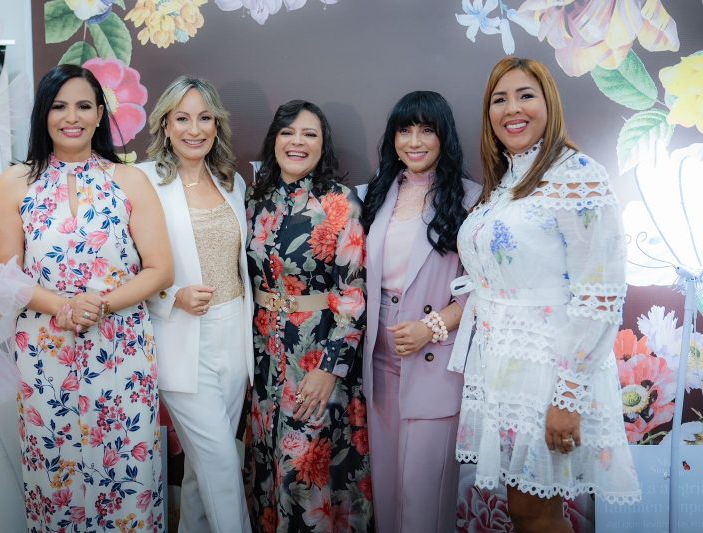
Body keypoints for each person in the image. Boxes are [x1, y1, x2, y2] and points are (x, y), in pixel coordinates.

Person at [448, 57, 641, 532]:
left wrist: (568, 397)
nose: (512, 109)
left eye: (525, 95)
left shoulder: (578, 175)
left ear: (548, 103)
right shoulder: (507, 182)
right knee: (523, 510)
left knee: (537, 514)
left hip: (549, 372)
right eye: (500, 99)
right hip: (504, 367)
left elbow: (600, 295)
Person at [0, 64, 173, 532]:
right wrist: (63, 307)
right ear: (43, 115)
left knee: (126, 471)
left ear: (99, 115)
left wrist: (102, 304)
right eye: (59, 106)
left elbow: (160, 269)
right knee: (56, 472)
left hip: (121, 348)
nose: (71, 117)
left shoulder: (130, 180)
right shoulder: (15, 182)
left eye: (84, 106)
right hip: (44, 350)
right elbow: (5, 276)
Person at [245, 100, 373, 532]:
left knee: (305, 475)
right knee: (266, 473)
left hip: (315, 357)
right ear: (274, 140)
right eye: (288, 132)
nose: (297, 142)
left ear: (323, 144)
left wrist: (329, 369)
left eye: (309, 134)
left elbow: (353, 295)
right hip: (263, 359)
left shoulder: (340, 202)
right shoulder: (255, 200)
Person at [137, 76, 253, 533]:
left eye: (205, 118)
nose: (194, 129)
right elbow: (121, 265)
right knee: (222, 464)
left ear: (216, 125)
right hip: (180, 340)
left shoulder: (231, 181)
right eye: (182, 118)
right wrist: (172, 296)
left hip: (233, 336)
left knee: (202, 469)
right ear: (165, 124)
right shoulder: (143, 181)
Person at [360, 91, 480, 533]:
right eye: (405, 130)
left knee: (424, 496)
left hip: (434, 356)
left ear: (444, 137)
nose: (414, 141)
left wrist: (433, 326)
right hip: (379, 357)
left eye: (427, 130)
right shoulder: (377, 193)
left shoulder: (471, 200)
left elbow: (485, 287)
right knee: (387, 492)